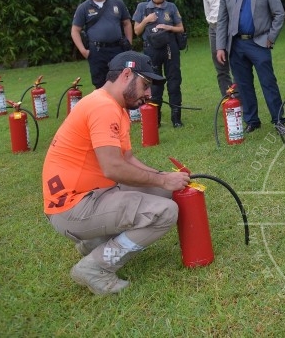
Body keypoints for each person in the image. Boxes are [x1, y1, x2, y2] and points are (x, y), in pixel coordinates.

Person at [42, 51, 190, 295]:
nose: (148, 93)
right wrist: (163, 179)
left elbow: (127, 159)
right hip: (72, 207)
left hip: (88, 196)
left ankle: (94, 243)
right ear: (126, 75)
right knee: (165, 212)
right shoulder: (103, 107)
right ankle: (95, 267)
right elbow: (113, 167)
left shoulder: (113, 106)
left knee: (164, 192)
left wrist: (164, 178)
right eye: (145, 85)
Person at [216, 0, 285, 137]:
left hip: (259, 42)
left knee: (268, 82)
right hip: (236, 44)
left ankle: (278, 120)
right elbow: (222, 20)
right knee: (243, 84)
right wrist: (220, 47)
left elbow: (279, 14)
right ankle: (251, 120)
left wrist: (271, 37)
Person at [132, 0, 185, 128]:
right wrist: (146, 20)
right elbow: (137, 31)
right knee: (155, 84)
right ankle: (155, 118)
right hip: (151, 49)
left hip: (170, 48)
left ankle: (176, 118)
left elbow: (181, 28)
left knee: (174, 82)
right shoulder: (143, 7)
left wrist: (169, 27)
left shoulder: (171, 7)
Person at [71, 0, 133, 89]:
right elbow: (75, 30)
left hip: (117, 49)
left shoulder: (117, 3)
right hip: (97, 51)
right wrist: (83, 51)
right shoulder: (83, 8)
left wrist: (129, 42)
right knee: (100, 84)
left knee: (121, 81)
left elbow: (127, 23)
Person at [203, 0, 236, 97]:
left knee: (237, 65)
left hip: (233, 27)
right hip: (215, 29)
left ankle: (240, 98)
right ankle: (228, 99)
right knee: (221, 68)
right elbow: (208, 12)